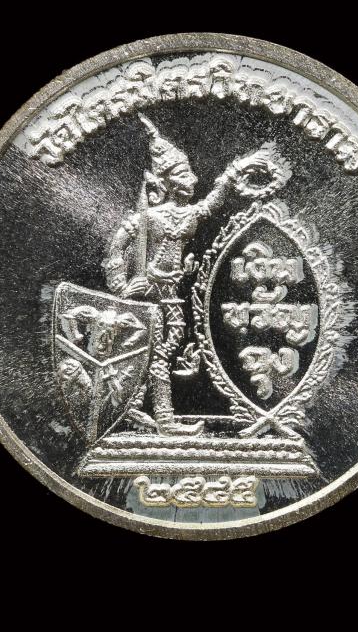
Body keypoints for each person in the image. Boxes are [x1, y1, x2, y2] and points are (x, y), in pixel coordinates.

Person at [103, 114, 286, 436]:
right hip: (147, 292)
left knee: (163, 347)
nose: (192, 179)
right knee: (155, 353)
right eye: (184, 174)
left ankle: (135, 410)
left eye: (190, 173)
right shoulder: (148, 217)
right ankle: (159, 418)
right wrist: (120, 286)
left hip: (172, 293)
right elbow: (116, 248)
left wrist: (234, 173)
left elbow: (213, 202)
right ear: (168, 182)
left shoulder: (189, 213)